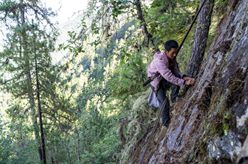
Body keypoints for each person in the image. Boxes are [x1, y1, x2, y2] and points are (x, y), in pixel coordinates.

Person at [147, 40, 195, 127]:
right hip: (156, 83)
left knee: (176, 79)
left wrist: (184, 77)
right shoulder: (159, 61)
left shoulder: (171, 58)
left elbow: (175, 72)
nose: (175, 55)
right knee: (164, 103)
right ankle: (166, 124)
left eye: (175, 52)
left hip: (163, 79)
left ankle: (175, 99)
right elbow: (169, 76)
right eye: (173, 53)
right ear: (166, 51)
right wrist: (184, 82)